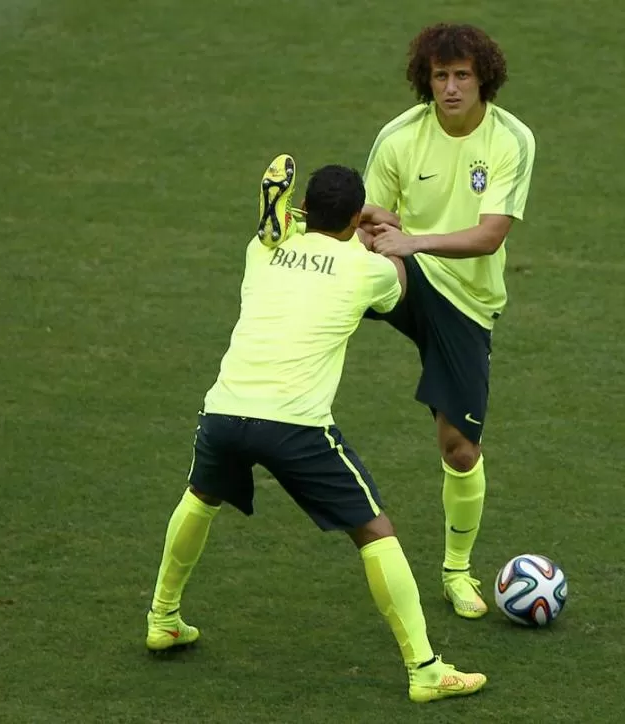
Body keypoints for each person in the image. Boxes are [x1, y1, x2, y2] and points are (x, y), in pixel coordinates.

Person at [144, 156, 486, 703]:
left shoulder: (262, 249)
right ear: (354, 216)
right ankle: (424, 670)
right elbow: (398, 286)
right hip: (295, 426)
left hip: (224, 411)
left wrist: (322, 222)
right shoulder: (367, 268)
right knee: (376, 532)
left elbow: (305, 234)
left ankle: (162, 617)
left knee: (200, 496)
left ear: (302, 208)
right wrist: (381, 233)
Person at [360, 23, 537, 620]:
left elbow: (490, 236)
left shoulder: (510, 139)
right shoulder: (399, 138)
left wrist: (414, 241)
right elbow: (367, 221)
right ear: (425, 80)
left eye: (462, 74)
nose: (452, 86)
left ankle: (457, 571)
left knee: (460, 450)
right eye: (441, 75)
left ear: (483, 77)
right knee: (362, 272)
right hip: (408, 274)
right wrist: (379, 235)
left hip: (465, 300)